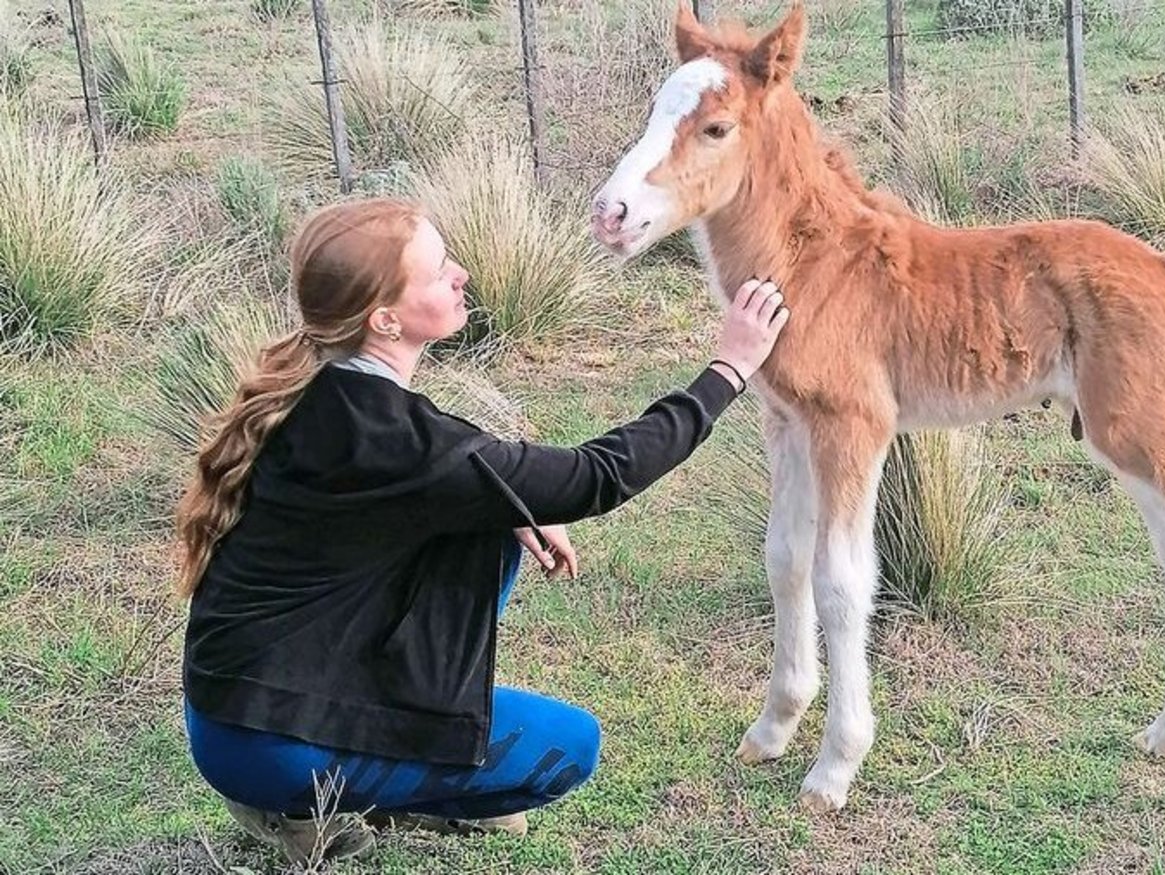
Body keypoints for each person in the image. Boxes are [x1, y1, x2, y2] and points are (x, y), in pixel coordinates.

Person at [174, 197, 789, 863]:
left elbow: (464, 489)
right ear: (383, 318)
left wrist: (507, 508)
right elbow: (597, 475)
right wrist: (729, 368)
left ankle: (325, 777)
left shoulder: (320, 386)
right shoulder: (396, 439)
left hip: (229, 707)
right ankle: (303, 805)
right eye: (439, 272)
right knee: (569, 749)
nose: (462, 273)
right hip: (272, 744)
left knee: (493, 523)